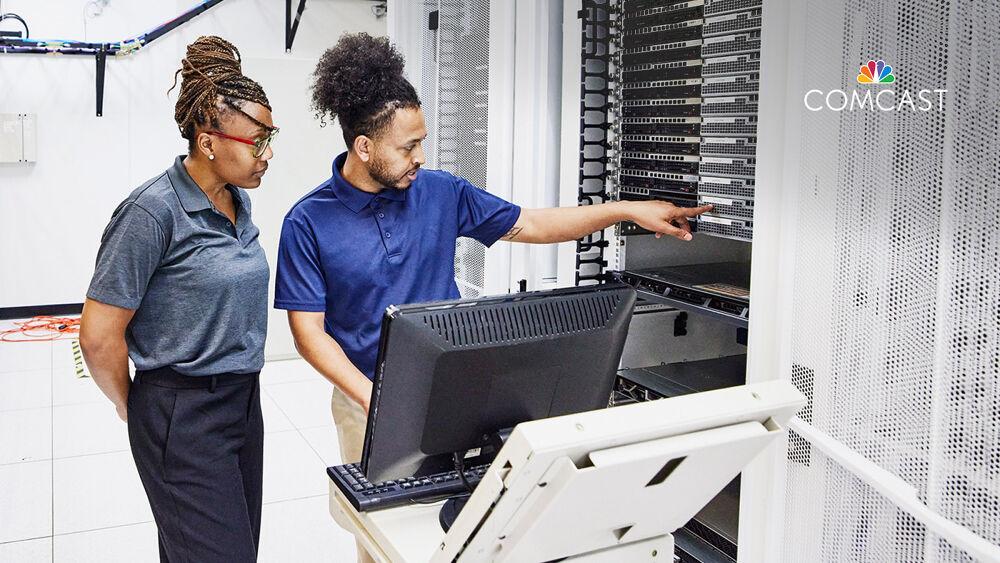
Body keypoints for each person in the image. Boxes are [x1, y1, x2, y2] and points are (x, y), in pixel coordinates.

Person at [274, 32, 710, 562]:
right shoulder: (307, 221)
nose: (420, 156)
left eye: (422, 141)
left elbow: (532, 223)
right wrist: (376, 398)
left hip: (456, 390)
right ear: (364, 147)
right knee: (388, 538)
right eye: (407, 146)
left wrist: (625, 209)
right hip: (367, 399)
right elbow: (308, 334)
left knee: (468, 526)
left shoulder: (441, 192)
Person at [79, 36, 277, 563]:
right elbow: (99, 338)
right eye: (256, 140)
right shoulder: (151, 213)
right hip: (179, 411)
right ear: (209, 141)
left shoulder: (237, 203)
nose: (267, 154)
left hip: (241, 403)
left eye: (270, 138)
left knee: (216, 550)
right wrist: (135, 404)